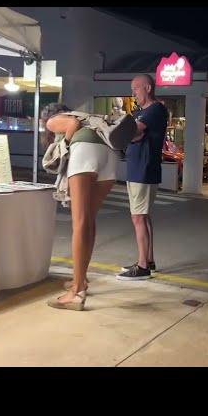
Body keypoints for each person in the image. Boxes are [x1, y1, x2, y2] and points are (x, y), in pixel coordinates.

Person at [45, 106, 119, 310]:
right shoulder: (90, 117)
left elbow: (72, 125)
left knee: (79, 223)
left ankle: (76, 291)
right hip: (110, 154)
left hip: (86, 152)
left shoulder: (54, 120)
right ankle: (81, 280)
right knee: (89, 220)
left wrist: (65, 144)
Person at [117, 74, 168, 280]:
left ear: (147, 87)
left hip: (144, 168)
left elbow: (134, 131)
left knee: (138, 217)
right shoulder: (141, 112)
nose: (133, 94)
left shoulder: (155, 110)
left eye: (135, 89)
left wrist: (125, 132)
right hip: (137, 167)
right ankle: (148, 260)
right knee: (142, 216)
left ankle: (142, 266)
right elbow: (132, 133)